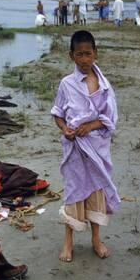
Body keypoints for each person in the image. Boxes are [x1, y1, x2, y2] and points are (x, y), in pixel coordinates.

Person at [50, 30, 121, 261]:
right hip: (75, 151)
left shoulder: (104, 86)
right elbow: (58, 114)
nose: (84, 59)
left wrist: (90, 126)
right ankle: (68, 243)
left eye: (88, 54)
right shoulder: (66, 84)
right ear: (71, 56)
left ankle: (96, 240)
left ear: (95, 54)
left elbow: (109, 118)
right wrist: (65, 129)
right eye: (79, 54)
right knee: (73, 193)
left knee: (96, 193)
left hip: (96, 149)